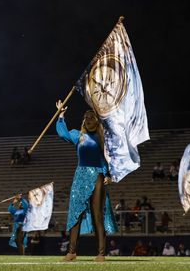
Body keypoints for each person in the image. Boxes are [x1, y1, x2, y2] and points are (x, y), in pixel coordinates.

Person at [55, 102, 117, 262]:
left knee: (97, 215)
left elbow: (106, 160)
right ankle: (72, 252)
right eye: (85, 117)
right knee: (75, 214)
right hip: (80, 176)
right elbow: (63, 134)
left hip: (96, 175)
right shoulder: (78, 135)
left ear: (96, 120)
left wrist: (107, 175)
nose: (88, 119)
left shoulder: (102, 137)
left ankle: (101, 253)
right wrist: (61, 115)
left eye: (91, 117)